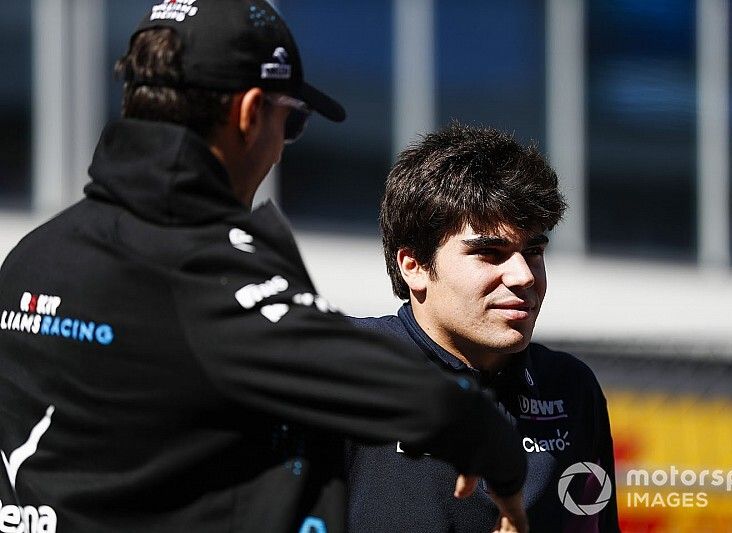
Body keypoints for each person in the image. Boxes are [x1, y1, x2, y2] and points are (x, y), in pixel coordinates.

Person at [0, 2, 529, 532]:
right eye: (291, 120)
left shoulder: (32, 257)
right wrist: (495, 448)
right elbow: (407, 394)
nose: (281, 149)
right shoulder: (202, 268)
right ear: (250, 114)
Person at [347, 123, 620, 532]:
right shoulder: (348, 366)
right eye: (490, 253)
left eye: (533, 251)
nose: (523, 276)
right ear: (414, 266)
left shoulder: (570, 388)